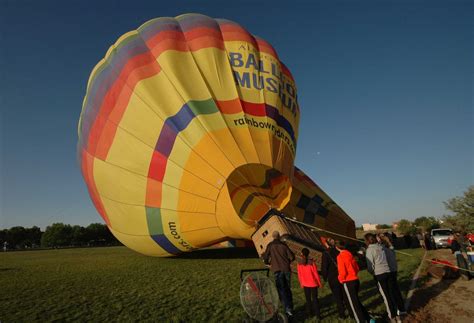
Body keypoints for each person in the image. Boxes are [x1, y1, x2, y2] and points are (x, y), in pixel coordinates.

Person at [365, 233, 400, 323]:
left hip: (380, 275)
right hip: (387, 272)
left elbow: (370, 266)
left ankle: (392, 317)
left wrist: (372, 272)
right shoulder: (381, 247)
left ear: (367, 241)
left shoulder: (369, 250)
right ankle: (396, 315)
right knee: (391, 294)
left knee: (386, 296)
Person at [336, 240, 373, 323]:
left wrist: (341, 279)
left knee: (353, 305)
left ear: (336, 247)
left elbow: (342, 271)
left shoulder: (340, 256)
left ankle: (361, 320)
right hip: (355, 280)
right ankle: (368, 319)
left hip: (348, 281)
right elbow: (357, 267)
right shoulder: (349, 254)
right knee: (356, 301)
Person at [262, 231, 295, 316]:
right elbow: (292, 257)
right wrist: (287, 261)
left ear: (273, 237)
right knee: (287, 288)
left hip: (277, 270)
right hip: (286, 269)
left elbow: (265, 257)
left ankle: (286, 308)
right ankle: (290, 307)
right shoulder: (284, 245)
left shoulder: (270, 246)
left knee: (281, 290)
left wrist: (268, 263)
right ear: (279, 236)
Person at [378, 234, 407, 316]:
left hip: (389, 271)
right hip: (394, 270)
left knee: (391, 292)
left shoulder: (383, 249)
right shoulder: (390, 247)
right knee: (396, 290)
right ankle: (402, 308)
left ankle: (397, 309)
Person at [321, 238, 349, 319]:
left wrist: (325, 277)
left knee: (338, 297)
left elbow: (324, 267)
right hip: (343, 275)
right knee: (345, 294)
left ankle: (342, 314)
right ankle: (350, 310)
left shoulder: (326, 253)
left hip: (333, 277)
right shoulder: (340, 251)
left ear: (327, 244)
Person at [297, 248, 322, 319]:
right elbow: (316, 274)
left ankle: (309, 314)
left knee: (308, 300)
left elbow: (299, 275)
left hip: (305, 284)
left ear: (302, 254)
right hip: (313, 283)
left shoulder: (299, 263)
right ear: (308, 254)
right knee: (315, 299)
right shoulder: (312, 263)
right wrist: (319, 283)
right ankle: (318, 315)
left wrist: (301, 283)